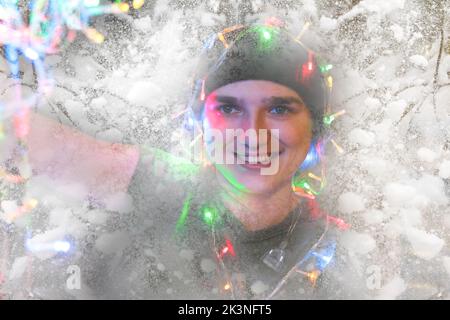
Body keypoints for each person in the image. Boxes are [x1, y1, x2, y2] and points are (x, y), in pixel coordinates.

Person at [23, 21, 365, 299]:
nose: (252, 132)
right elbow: (29, 141)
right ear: (200, 121)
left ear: (316, 126)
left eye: (279, 109)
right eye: (230, 108)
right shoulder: (158, 187)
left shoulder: (341, 252)